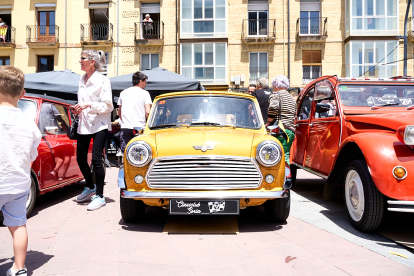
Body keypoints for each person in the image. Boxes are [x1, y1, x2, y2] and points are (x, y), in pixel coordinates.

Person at [0, 66, 42, 276]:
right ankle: (19, 268)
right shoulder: (29, 124)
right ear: (22, 94)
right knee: (18, 225)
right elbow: (32, 155)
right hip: (18, 183)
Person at [72, 50, 113, 211]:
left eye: (82, 58)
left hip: (100, 124)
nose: (80, 61)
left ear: (92, 62)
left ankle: (100, 196)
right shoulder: (81, 80)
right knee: (80, 158)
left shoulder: (103, 80)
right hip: (84, 123)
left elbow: (108, 106)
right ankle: (90, 186)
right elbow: (83, 103)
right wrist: (77, 108)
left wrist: (89, 105)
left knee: (96, 159)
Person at [266, 75, 297, 189]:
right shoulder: (292, 98)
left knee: (271, 155)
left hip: (279, 129)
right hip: (290, 130)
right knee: (286, 155)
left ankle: (284, 180)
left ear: (275, 85)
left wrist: (268, 122)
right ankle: (286, 179)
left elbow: (273, 109)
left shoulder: (276, 95)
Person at [117, 71, 152, 153]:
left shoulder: (123, 93)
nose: (145, 85)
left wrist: (125, 121)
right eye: (145, 82)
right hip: (139, 128)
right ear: (141, 81)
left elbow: (119, 112)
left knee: (126, 153)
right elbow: (148, 112)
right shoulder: (145, 93)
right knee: (140, 152)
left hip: (125, 127)